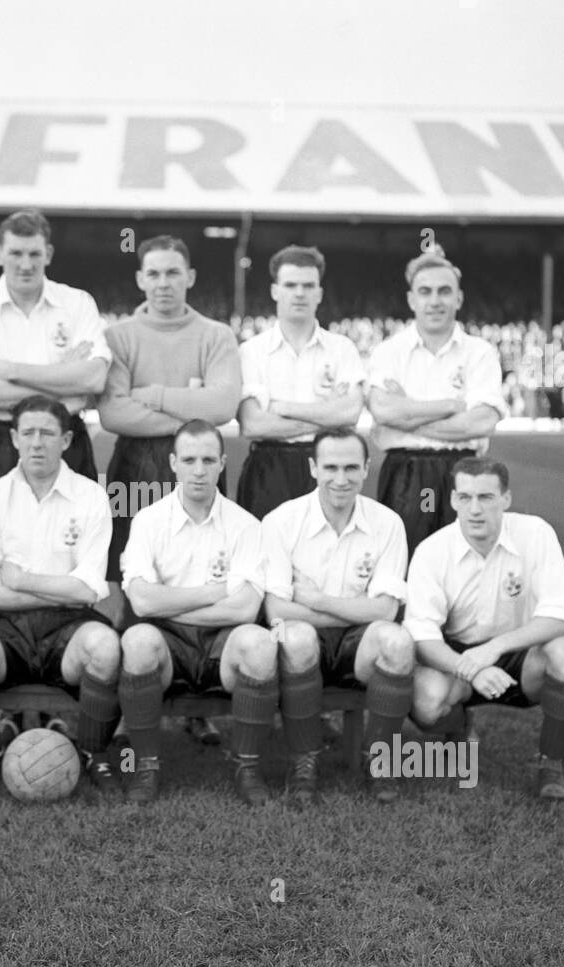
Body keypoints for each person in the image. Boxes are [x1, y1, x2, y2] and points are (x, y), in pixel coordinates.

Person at [98, 236, 242, 746]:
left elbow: (223, 406)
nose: (163, 283)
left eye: (172, 273)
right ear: (140, 279)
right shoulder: (118, 336)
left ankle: (194, 703)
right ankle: (131, 696)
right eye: (153, 273)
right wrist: (189, 405)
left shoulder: (215, 334)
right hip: (134, 466)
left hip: (199, 465)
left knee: (202, 570)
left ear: (190, 277)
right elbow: (113, 413)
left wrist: (153, 395)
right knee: (134, 582)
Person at [0, 396, 121, 793]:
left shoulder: (91, 495)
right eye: (28, 433)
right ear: (13, 438)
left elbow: (90, 589)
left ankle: (93, 753)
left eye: (47, 433)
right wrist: (59, 589)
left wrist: (22, 581)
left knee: (106, 645)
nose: (37, 442)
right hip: (2, 625)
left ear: (68, 439)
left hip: (71, 626)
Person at [405, 458, 564, 800]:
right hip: (457, 658)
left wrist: (497, 647)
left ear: (506, 499)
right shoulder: (431, 551)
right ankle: (460, 730)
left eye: (486, 497)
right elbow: (422, 636)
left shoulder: (536, 532)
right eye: (465, 497)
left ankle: (552, 765)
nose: (475, 509)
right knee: (425, 702)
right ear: (453, 500)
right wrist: (471, 670)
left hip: (520, 656)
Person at [117, 420, 277, 806]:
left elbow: (244, 608)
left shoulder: (246, 525)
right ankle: (145, 767)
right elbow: (141, 603)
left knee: (258, 642)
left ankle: (248, 767)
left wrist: (167, 603)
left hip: (223, 642)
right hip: (168, 646)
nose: (199, 470)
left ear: (223, 462)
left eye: (208, 459)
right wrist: (209, 593)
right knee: (138, 641)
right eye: (189, 459)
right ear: (173, 463)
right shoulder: (148, 521)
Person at [262, 428, 414, 805]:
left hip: (358, 645)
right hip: (307, 638)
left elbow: (386, 611)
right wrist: (352, 610)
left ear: (366, 469)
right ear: (313, 468)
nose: (341, 479)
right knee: (294, 636)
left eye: (351, 468)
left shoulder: (388, 523)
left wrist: (317, 600)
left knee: (396, 641)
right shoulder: (281, 521)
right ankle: (304, 762)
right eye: (330, 467)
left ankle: (380, 761)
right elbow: (276, 611)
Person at [0, 209, 109, 513]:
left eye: (34, 253)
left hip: (65, 437)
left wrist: (10, 371)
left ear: (48, 254)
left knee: (73, 541)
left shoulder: (77, 303)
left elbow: (94, 379)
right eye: (16, 253)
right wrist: (62, 381)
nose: (26, 264)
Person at [366, 246, 508, 555]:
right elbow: (382, 409)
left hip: (465, 472)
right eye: (425, 291)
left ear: (458, 298)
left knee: (466, 564)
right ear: (411, 299)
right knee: (406, 564)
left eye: (444, 291)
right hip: (406, 473)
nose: (435, 301)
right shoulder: (388, 352)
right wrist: (449, 405)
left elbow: (482, 421)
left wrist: (407, 417)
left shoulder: (480, 353)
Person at [237, 246, 365, 520]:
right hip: (268, 469)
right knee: (267, 556)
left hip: (328, 466)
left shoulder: (342, 349)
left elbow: (350, 413)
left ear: (319, 293)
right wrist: (327, 416)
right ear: (275, 291)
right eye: (290, 285)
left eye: (308, 285)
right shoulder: (251, 351)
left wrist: (282, 407)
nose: (299, 293)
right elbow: (253, 424)